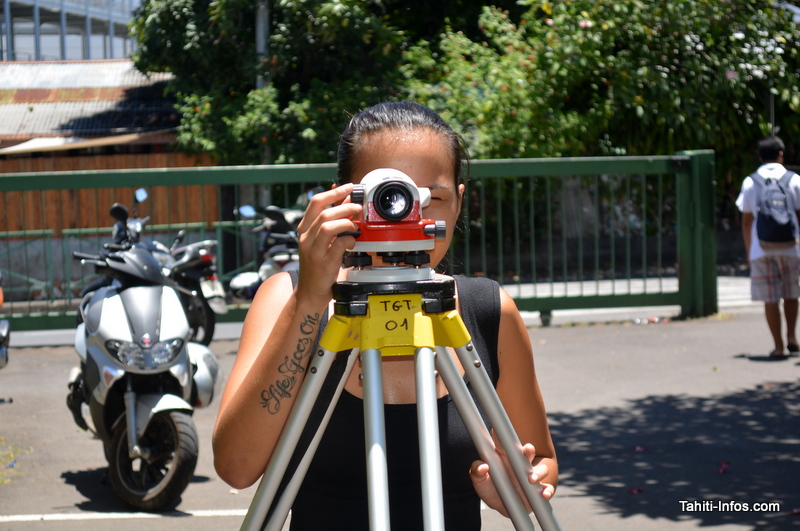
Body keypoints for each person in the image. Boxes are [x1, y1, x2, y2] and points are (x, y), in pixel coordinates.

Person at [213, 101, 557, 529]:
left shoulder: (488, 311)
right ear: (341, 199)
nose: (406, 216)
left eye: (429, 198)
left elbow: (541, 460)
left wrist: (519, 486)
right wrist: (311, 301)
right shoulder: (288, 298)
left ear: (458, 202)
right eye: (386, 198)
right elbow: (237, 467)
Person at [736, 135, 800, 358]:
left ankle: (778, 346)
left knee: (770, 298)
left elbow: (746, 221)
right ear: (781, 154)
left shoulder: (750, 182)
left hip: (761, 249)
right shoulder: (794, 180)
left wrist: (749, 250)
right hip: (791, 247)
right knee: (791, 294)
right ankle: (792, 336)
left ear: (760, 156)